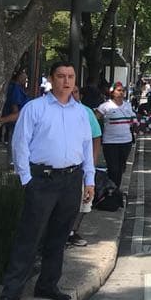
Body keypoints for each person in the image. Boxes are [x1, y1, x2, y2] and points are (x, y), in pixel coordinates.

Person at [0, 62, 95, 300]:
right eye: (61, 76)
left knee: (59, 237)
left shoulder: (80, 111)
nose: (66, 81)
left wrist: (89, 179)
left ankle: (48, 285)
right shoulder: (35, 108)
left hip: (71, 179)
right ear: (51, 79)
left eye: (70, 77)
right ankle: (12, 291)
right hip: (42, 180)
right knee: (30, 236)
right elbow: (20, 143)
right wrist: (26, 179)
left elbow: (86, 146)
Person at [68, 84, 104, 248]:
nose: (73, 95)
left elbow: (96, 138)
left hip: (82, 167)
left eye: (76, 92)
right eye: (70, 92)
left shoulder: (87, 112)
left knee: (83, 202)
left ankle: (73, 232)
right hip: (60, 168)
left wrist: (92, 164)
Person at [97, 82, 137, 189]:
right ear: (112, 92)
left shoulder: (128, 105)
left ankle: (115, 189)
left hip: (126, 141)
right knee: (113, 168)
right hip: (110, 142)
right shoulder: (105, 106)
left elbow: (134, 120)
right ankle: (112, 190)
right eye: (118, 90)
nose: (121, 93)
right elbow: (95, 119)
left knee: (121, 168)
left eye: (123, 91)